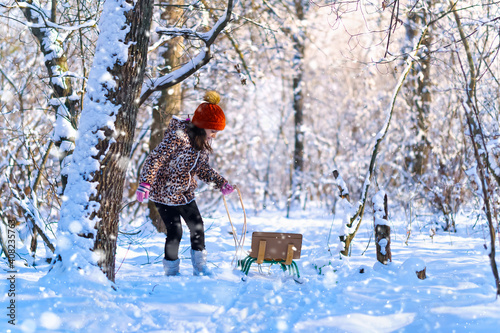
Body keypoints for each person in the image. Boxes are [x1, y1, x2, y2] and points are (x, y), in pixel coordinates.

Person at [136, 91, 234, 276]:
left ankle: (200, 267)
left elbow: (202, 169)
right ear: (203, 126)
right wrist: (145, 183)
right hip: (164, 193)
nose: (214, 136)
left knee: (197, 227)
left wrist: (221, 183)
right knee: (175, 232)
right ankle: (172, 271)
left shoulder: (201, 143)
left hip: (185, 194)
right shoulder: (178, 137)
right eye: (213, 131)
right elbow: (156, 158)